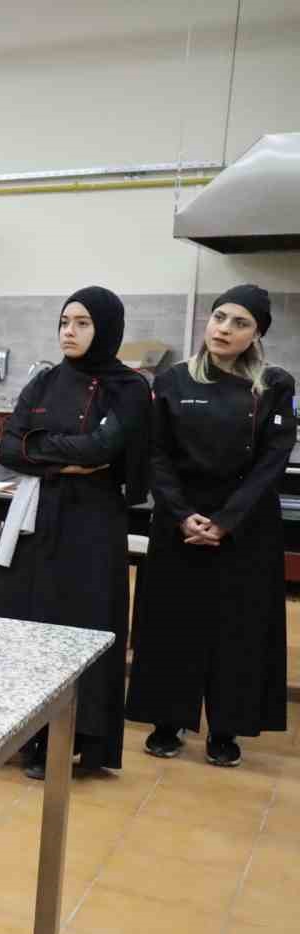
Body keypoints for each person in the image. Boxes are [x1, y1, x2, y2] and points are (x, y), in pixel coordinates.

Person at [127, 284, 294, 768]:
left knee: (237, 626)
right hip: (180, 521)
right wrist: (181, 514)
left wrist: (225, 522)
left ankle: (227, 727)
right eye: (219, 317)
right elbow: (156, 454)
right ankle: (166, 718)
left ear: (256, 333)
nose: (224, 328)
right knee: (172, 621)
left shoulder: (274, 385)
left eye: (240, 323)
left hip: (245, 527)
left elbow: (271, 463)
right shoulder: (174, 382)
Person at [0, 286, 151, 778]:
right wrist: (64, 455)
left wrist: (45, 450)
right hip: (39, 519)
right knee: (31, 619)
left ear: (105, 329)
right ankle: (30, 734)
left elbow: (103, 447)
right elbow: (9, 450)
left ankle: (81, 740)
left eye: (82, 323)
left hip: (93, 523)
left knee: (81, 624)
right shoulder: (44, 382)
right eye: (65, 322)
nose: (70, 332)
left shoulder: (130, 387)